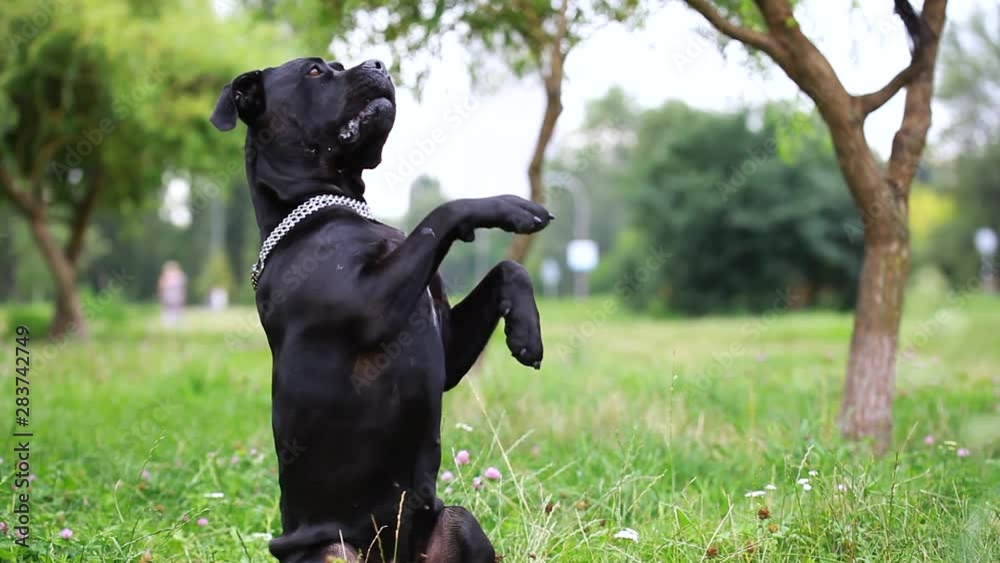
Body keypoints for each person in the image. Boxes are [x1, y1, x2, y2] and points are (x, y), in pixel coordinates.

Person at [157, 261, 187, 327]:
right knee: (175, 314)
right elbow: (183, 289)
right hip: (175, 298)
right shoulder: (180, 276)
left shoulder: (167, 276)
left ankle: (170, 326)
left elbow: (160, 287)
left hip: (170, 298)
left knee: (169, 314)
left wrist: (160, 297)